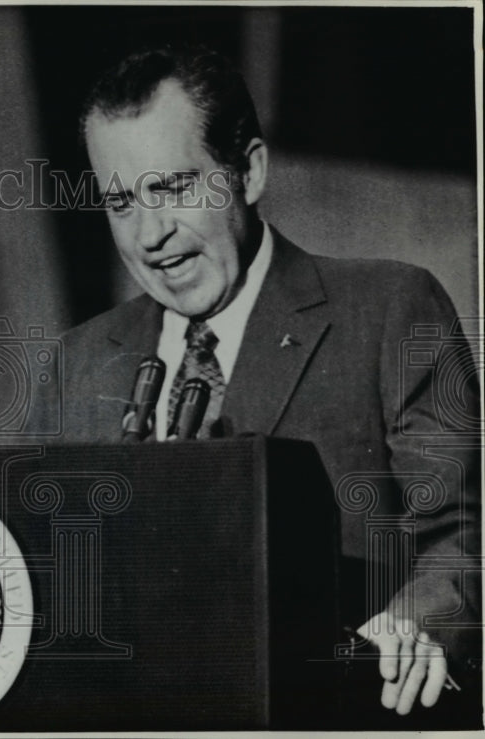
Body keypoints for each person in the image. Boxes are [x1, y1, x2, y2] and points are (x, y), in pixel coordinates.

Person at [38, 44, 480, 720]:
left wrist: (408, 628)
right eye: (121, 200)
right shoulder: (78, 359)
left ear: (248, 171)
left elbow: (463, 542)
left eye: (174, 188)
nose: (150, 233)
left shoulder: (390, 309)